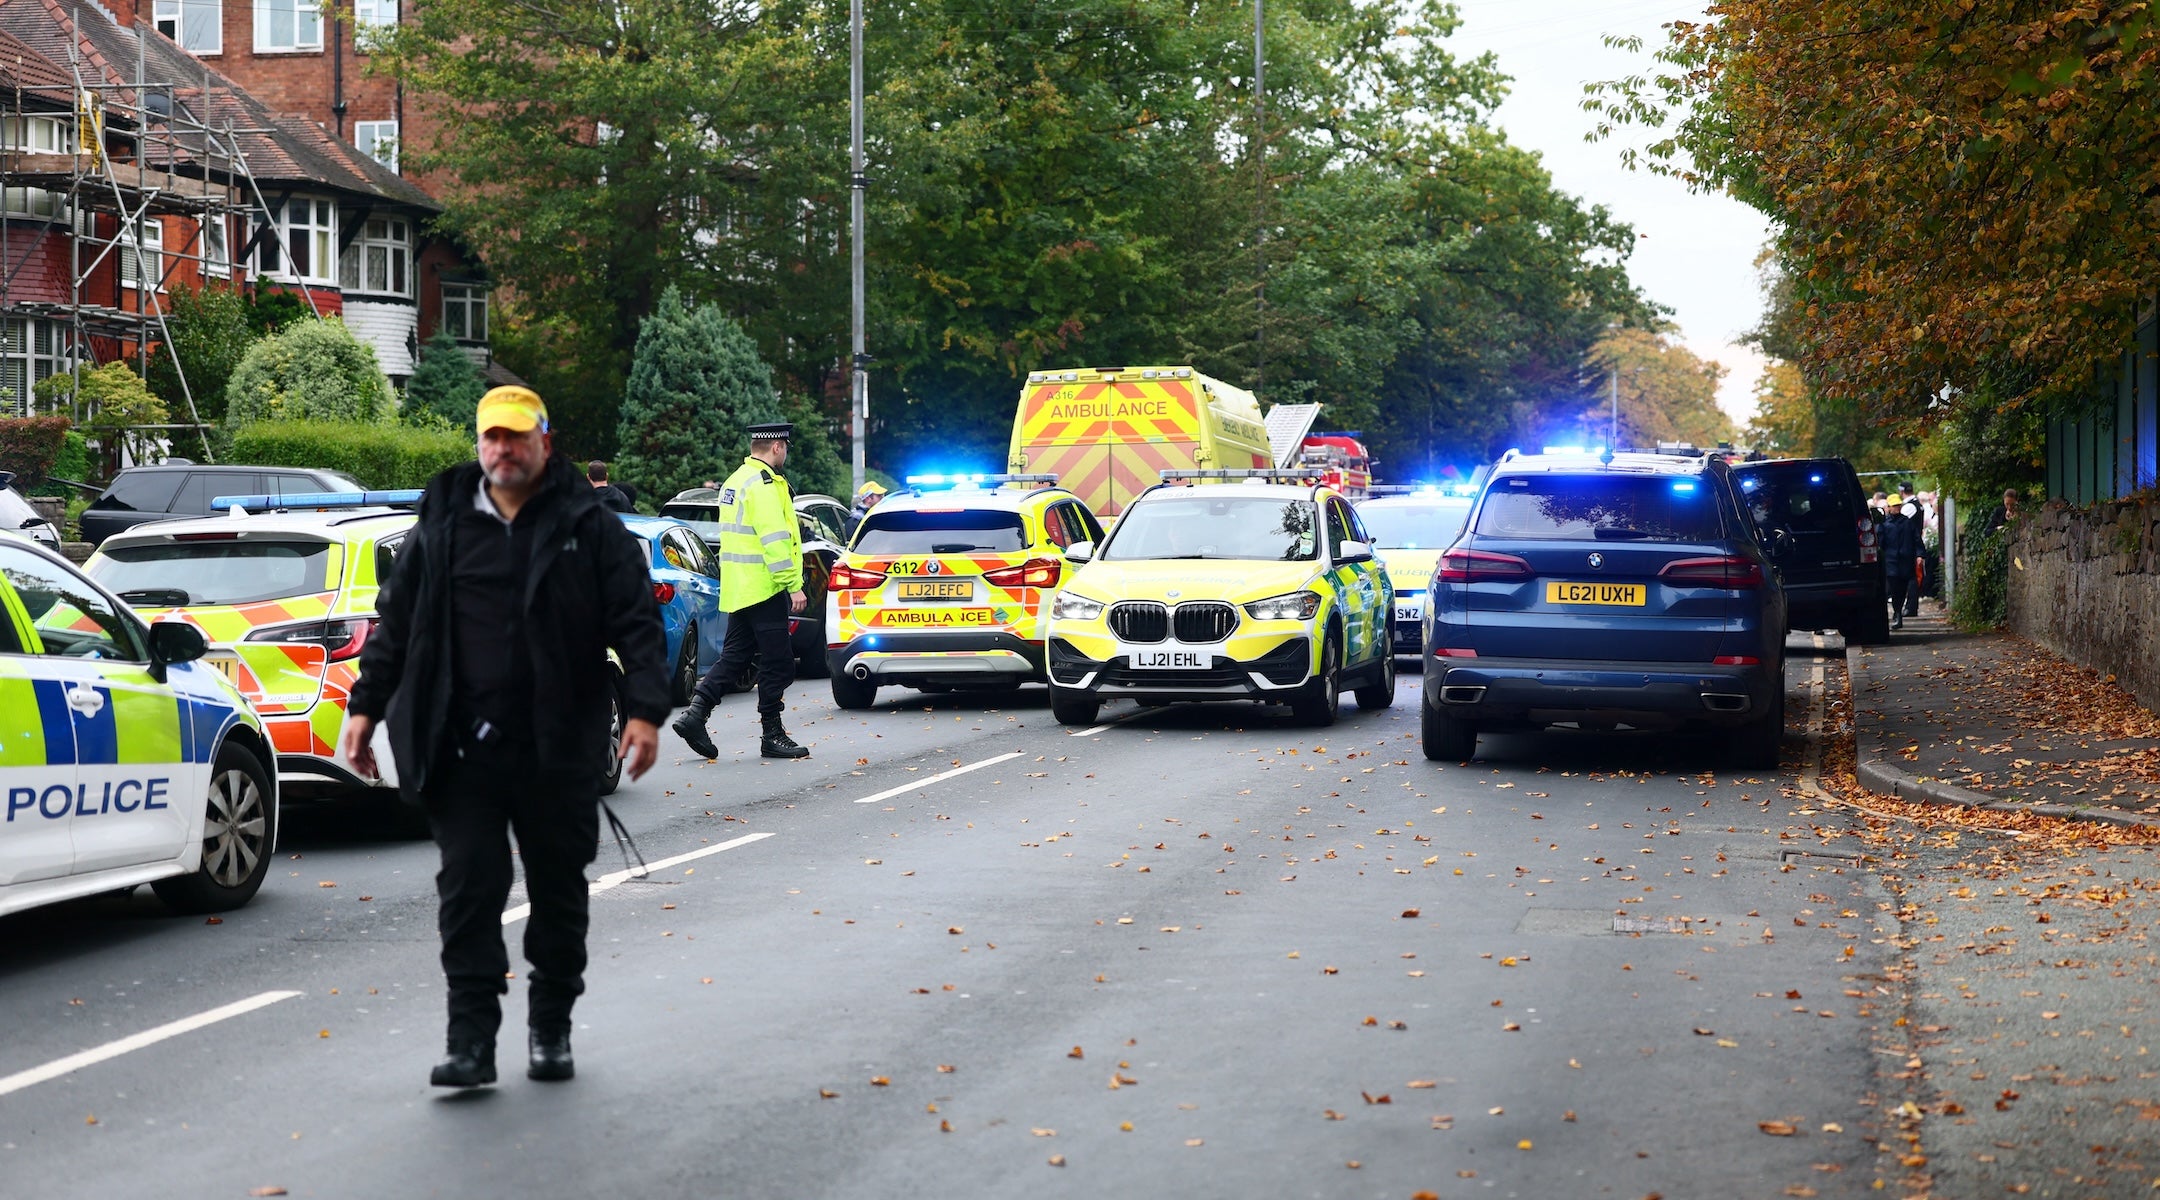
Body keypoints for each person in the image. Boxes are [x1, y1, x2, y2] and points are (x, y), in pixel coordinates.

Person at [339, 385, 670, 1089]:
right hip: (462, 748)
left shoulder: (588, 523)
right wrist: (364, 708)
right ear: (480, 443)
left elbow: (636, 621)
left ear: (544, 443)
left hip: (558, 745)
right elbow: (397, 624)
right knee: (468, 889)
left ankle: (550, 1027)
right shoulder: (444, 522)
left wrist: (644, 711)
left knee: (557, 893)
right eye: (492, 437)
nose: (502, 450)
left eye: (516, 437)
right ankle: (471, 1043)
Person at [671, 422, 811, 761]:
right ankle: (772, 735)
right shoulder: (763, 486)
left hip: (740, 587)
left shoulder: (736, 481)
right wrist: (793, 584)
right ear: (777, 447)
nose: (786, 454)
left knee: (735, 657)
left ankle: (695, 714)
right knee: (779, 664)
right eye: (786, 448)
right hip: (765, 587)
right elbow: (775, 540)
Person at [1880, 498, 1920, 631]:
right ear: (1889, 507)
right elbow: (1881, 543)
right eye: (1894, 506)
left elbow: (1916, 539)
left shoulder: (1907, 523)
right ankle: (1897, 613)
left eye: (1898, 505)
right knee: (1893, 587)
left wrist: (1920, 555)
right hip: (1891, 561)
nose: (1897, 508)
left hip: (1905, 561)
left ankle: (1898, 612)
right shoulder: (1885, 524)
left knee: (1902, 589)